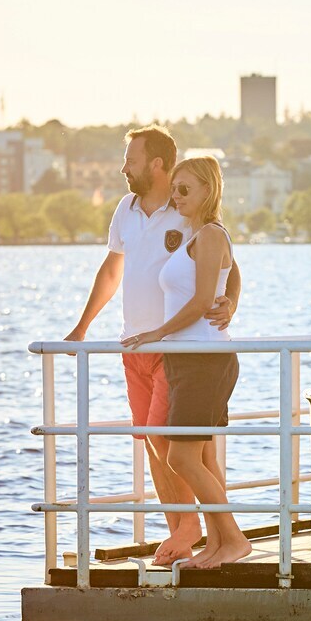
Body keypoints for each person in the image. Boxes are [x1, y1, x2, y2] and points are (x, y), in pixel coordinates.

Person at [63, 125, 240, 567]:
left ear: (156, 163)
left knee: (174, 444)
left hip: (174, 346)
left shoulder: (187, 209)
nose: (124, 168)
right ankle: (184, 528)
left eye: (131, 160)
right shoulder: (125, 209)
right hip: (134, 346)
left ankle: (195, 530)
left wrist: (231, 301)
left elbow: (228, 265)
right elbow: (111, 271)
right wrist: (82, 327)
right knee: (150, 439)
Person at [122, 155, 251, 569]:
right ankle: (215, 546)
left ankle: (233, 540)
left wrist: (158, 333)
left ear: (207, 192)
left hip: (204, 359)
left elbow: (199, 301)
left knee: (180, 457)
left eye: (184, 190)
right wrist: (230, 296)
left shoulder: (211, 233)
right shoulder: (194, 234)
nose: (175, 196)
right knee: (200, 457)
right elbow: (229, 275)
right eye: (174, 188)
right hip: (185, 360)